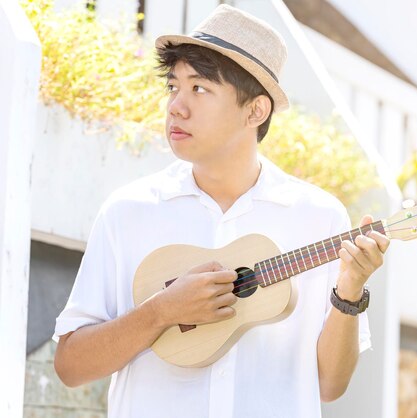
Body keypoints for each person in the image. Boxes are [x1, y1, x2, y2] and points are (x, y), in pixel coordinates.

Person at [53, 4, 389, 418]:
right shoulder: (129, 211)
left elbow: (330, 385)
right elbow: (70, 366)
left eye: (199, 89)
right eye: (173, 86)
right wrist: (160, 312)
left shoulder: (318, 217)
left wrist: (351, 289)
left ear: (255, 111)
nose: (176, 105)